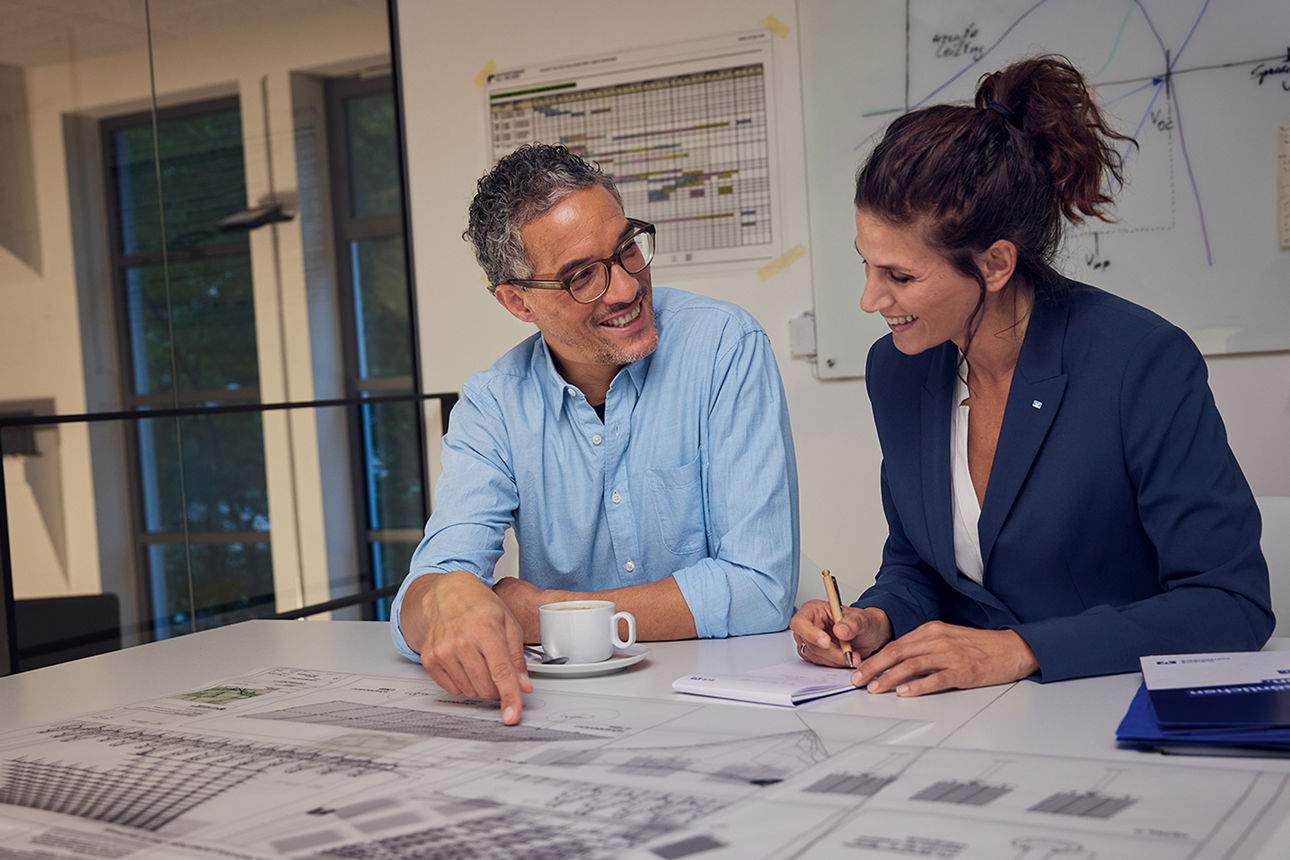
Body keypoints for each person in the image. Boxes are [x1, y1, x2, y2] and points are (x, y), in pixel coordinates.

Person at [791, 55, 1273, 696]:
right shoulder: (898, 370)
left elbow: (1229, 602)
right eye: (867, 265)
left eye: (900, 277)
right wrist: (875, 620)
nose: (870, 300)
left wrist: (1021, 650)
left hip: (1107, 709)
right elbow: (922, 564)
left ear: (994, 264)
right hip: (961, 721)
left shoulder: (1141, 361)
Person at [392, 144, 800, 723]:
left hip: (720, 703)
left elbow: (759, 590)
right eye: (582, 275)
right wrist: (444, 596)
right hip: (569, 716)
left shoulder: (724, 346)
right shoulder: (493, 405)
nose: (626, 288)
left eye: (627, 249)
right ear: (517, 301)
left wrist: (542, 612)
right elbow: (419, 609)